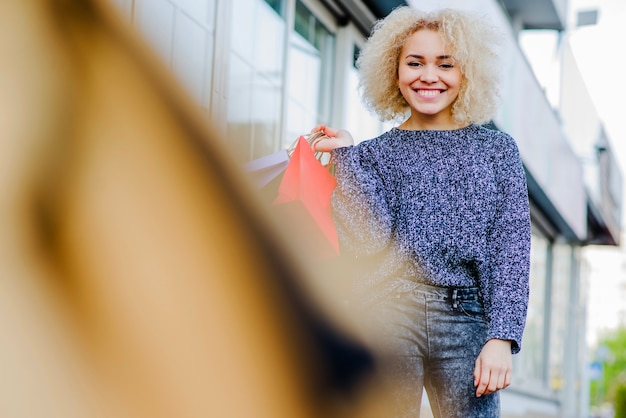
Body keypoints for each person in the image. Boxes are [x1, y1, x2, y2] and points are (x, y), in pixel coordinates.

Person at [312, 6, 531, 418]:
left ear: (466, 72)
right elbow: (366, 242)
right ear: (393, 73)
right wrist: (345, 160)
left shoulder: (498, 153)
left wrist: (502, 337)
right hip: (384, 313)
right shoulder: (370, 157)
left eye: (445, 64)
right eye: (414, 63)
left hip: (467, 315)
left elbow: (511, 250)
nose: (428, 75)